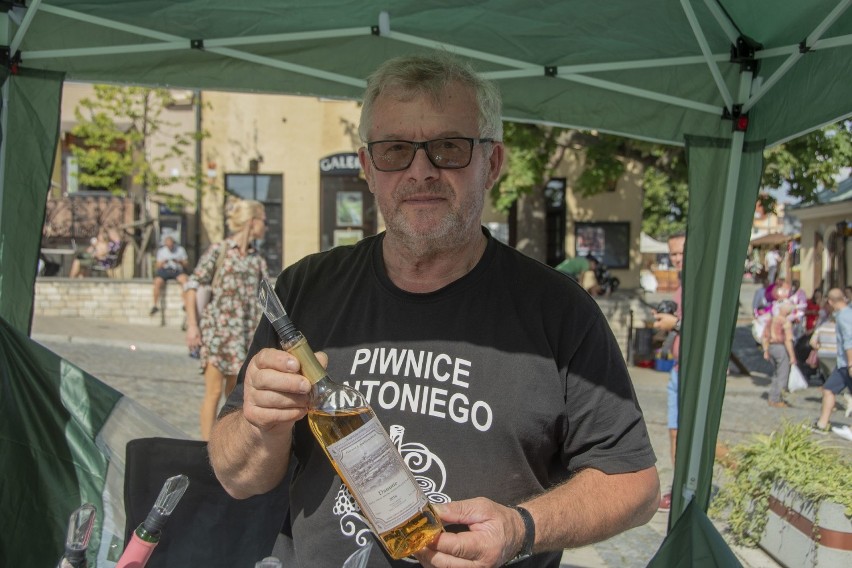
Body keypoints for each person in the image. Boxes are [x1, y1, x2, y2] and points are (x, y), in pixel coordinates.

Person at [207, 54, 659, 567]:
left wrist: (521, 528)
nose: (420, 171)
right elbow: (236, 476)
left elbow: (634, 483)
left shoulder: (559, 311)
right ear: (367, 168)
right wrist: (258, 425)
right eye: (395, 149)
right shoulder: (306, 288)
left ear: (491, 164)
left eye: (448, 147)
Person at [183, 200, 269, 440]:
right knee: (212, 394)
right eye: (263, 221)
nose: (266, 227)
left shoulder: (256, 258)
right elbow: (192, 285)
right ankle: (205, 449)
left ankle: (225, 447)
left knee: (233, 397)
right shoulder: (219, 251)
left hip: (243, 337)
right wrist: (192, 326)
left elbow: (267, 297)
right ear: (252, 222)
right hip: (218, 335)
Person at [652, 230, 685, 512]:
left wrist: (673, 324)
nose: (676, 259)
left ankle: (689, 487)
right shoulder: (681, 284)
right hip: (678, 368)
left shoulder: (703, 284)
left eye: (681, 253)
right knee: (674, 433)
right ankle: (679, 486)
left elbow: (708, 333)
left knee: (689, 433)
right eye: (673, 253)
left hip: (693, 374)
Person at [811, 288, 852, 434]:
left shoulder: (843, 317)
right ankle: (822, 424)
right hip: (843, 362)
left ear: (830, 301)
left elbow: (849, 341)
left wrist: (850, 363)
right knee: (828, 389)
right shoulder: (846, 313)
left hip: (846, 362)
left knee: (828, 390)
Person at [761, 301, 796, 408]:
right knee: (783, 374)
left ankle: (772, 397)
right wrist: (792, 356)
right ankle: (777, 399)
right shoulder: (785, 322)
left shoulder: (771, 319)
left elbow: (764, 336)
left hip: (771, 347)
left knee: (776, 373)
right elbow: (788, 341)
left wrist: (766, 350)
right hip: (781, 348)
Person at [150, 234, 189, 315]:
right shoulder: (161, 251)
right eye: (168, 245)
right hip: (165, 270)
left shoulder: (180, 250)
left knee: (184, 280)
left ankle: (185, 304)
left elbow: (186, 264)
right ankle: (154, 305)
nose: (169, 247)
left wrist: (179, 261)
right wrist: (164, 262)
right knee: (157, 282)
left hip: (176, 270)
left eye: (171, 245)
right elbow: (157, 265)